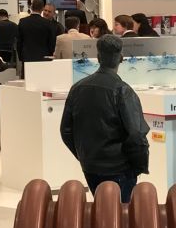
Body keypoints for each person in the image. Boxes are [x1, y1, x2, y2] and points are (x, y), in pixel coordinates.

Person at [60, 34, 148, 203]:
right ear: (121, 58)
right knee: (120, 214)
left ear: (98, 57)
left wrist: (84, 156)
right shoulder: (123, 90)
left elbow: (66, 131)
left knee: (102, 211)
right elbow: (136, 134)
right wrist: (138, 166)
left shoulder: (77, 88)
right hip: (120, 169)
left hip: (90, 167)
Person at [17, 0, 59, 67]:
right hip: (44, 58)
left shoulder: (22, 22)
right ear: (42, 9)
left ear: (31, 7)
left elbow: (19, 42)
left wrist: (21, 57)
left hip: (27, 58)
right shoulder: (48, 23)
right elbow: (51, 43)